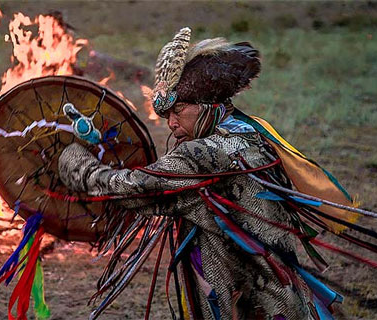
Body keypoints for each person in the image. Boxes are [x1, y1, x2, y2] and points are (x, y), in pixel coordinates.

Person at [58, 28, 346, 319]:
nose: (170, 123)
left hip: (258, 306)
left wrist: (74, 162)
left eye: (178, 110)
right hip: (280, 297)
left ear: (207, 104)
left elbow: (134, 188)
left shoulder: (199, 155)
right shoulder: (249, 133)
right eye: (166, 115)